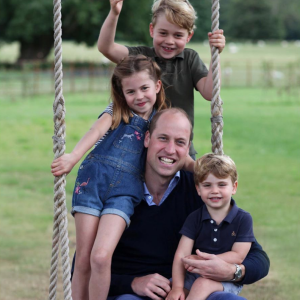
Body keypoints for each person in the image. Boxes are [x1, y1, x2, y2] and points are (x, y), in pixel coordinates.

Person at [71, 108, 269, 300]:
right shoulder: (117, 191)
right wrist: (133, 283)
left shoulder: (199, 191)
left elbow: (257, 258)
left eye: (180, 142)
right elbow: (84, 266)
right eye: (163, 138)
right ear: (147, 138)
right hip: (134, 295)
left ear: (187, 148)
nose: (170, 150)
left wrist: (233, 271)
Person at [51, 55, 170, 300]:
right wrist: (73, 157)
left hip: (125, 192)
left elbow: (172, 149)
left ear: (157, 86)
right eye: (131, 91)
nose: (139, 96)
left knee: (101, 256)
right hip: (92, 182)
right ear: (122, 92)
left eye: (145, 88)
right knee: (83, 258)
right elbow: (95, 131)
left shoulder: (160, 120)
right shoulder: (117, 110)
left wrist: (198, 167)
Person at [97, 0, 226, 158]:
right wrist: (114, 13)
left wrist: (215, 55)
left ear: (189, 36)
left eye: (178, 35)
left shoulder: (190, 59)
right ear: (152, 30)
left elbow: (210, 92)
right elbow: (106, 47)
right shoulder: (141, 58)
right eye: (163, 33)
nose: (169, 41)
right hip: (143, 152)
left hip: (180, 151)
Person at [167, 153, 256, 300]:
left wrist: (203, 261)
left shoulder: (243, 219)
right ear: (198, 189)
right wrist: (177, 288)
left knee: (202, 284)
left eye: (221, 184)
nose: (215, 190)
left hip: (224, 277)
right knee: (171, 289)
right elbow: (181, 254)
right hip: (194, 274)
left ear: (234, 187)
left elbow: (238, 256)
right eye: (207, 185)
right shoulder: (194, 218)